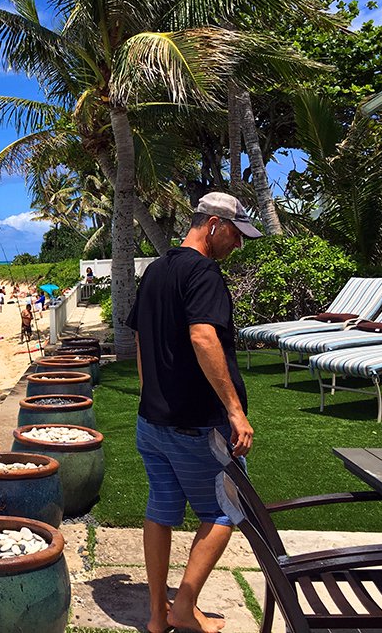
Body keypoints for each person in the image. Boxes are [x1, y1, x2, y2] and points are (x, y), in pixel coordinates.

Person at [128, 192, 259, 633]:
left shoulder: (155, 271)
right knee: (226, 510)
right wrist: (236, 412)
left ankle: (155, 615)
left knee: (161, 510)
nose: (238, 246)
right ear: (215, 225)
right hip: (196, 424)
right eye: (236, 236)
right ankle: (183, 608)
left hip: (153, 422)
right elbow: (204, 338)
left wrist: (151, 394)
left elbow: (141, 342)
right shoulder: (204, 272)